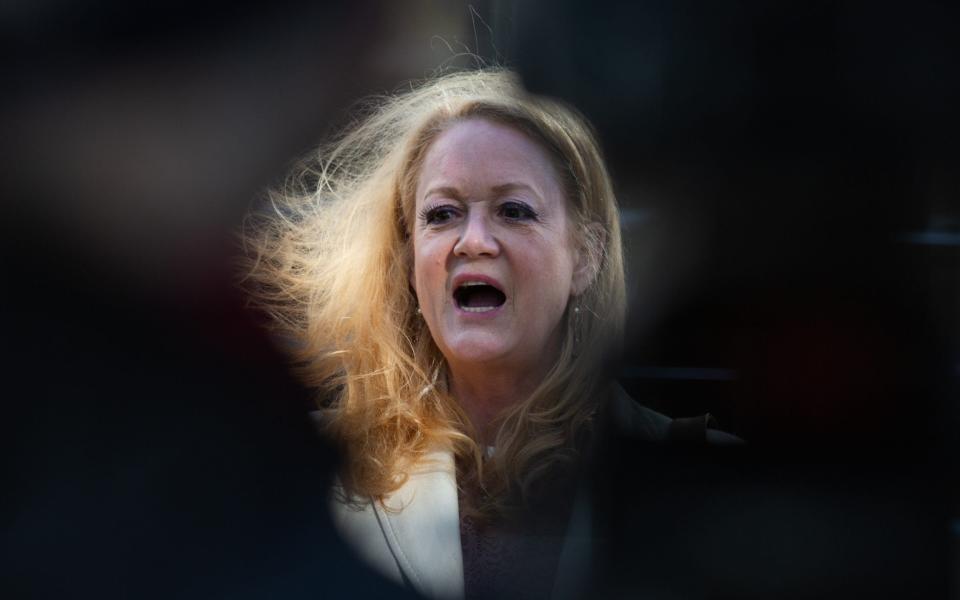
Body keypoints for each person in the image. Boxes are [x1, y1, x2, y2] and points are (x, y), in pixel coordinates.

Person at [242, 68, 732, 600]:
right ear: (409, 262)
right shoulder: (298, 472)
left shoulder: (708, 481)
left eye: (514, 211)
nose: (473, 241)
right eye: (443, 214)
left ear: (586, 256)